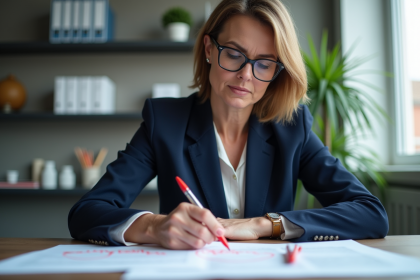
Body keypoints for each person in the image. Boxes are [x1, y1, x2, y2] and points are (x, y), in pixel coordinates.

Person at [68, 0, 388, 249]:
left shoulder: (293, 128)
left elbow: (370, 213)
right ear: (209, 49)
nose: (246, 75)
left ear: (277, 71)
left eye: (264, 63)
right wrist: (154, 226)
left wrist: (266, 225)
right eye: (234, 54)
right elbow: (87, 213)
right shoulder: (164, 123)